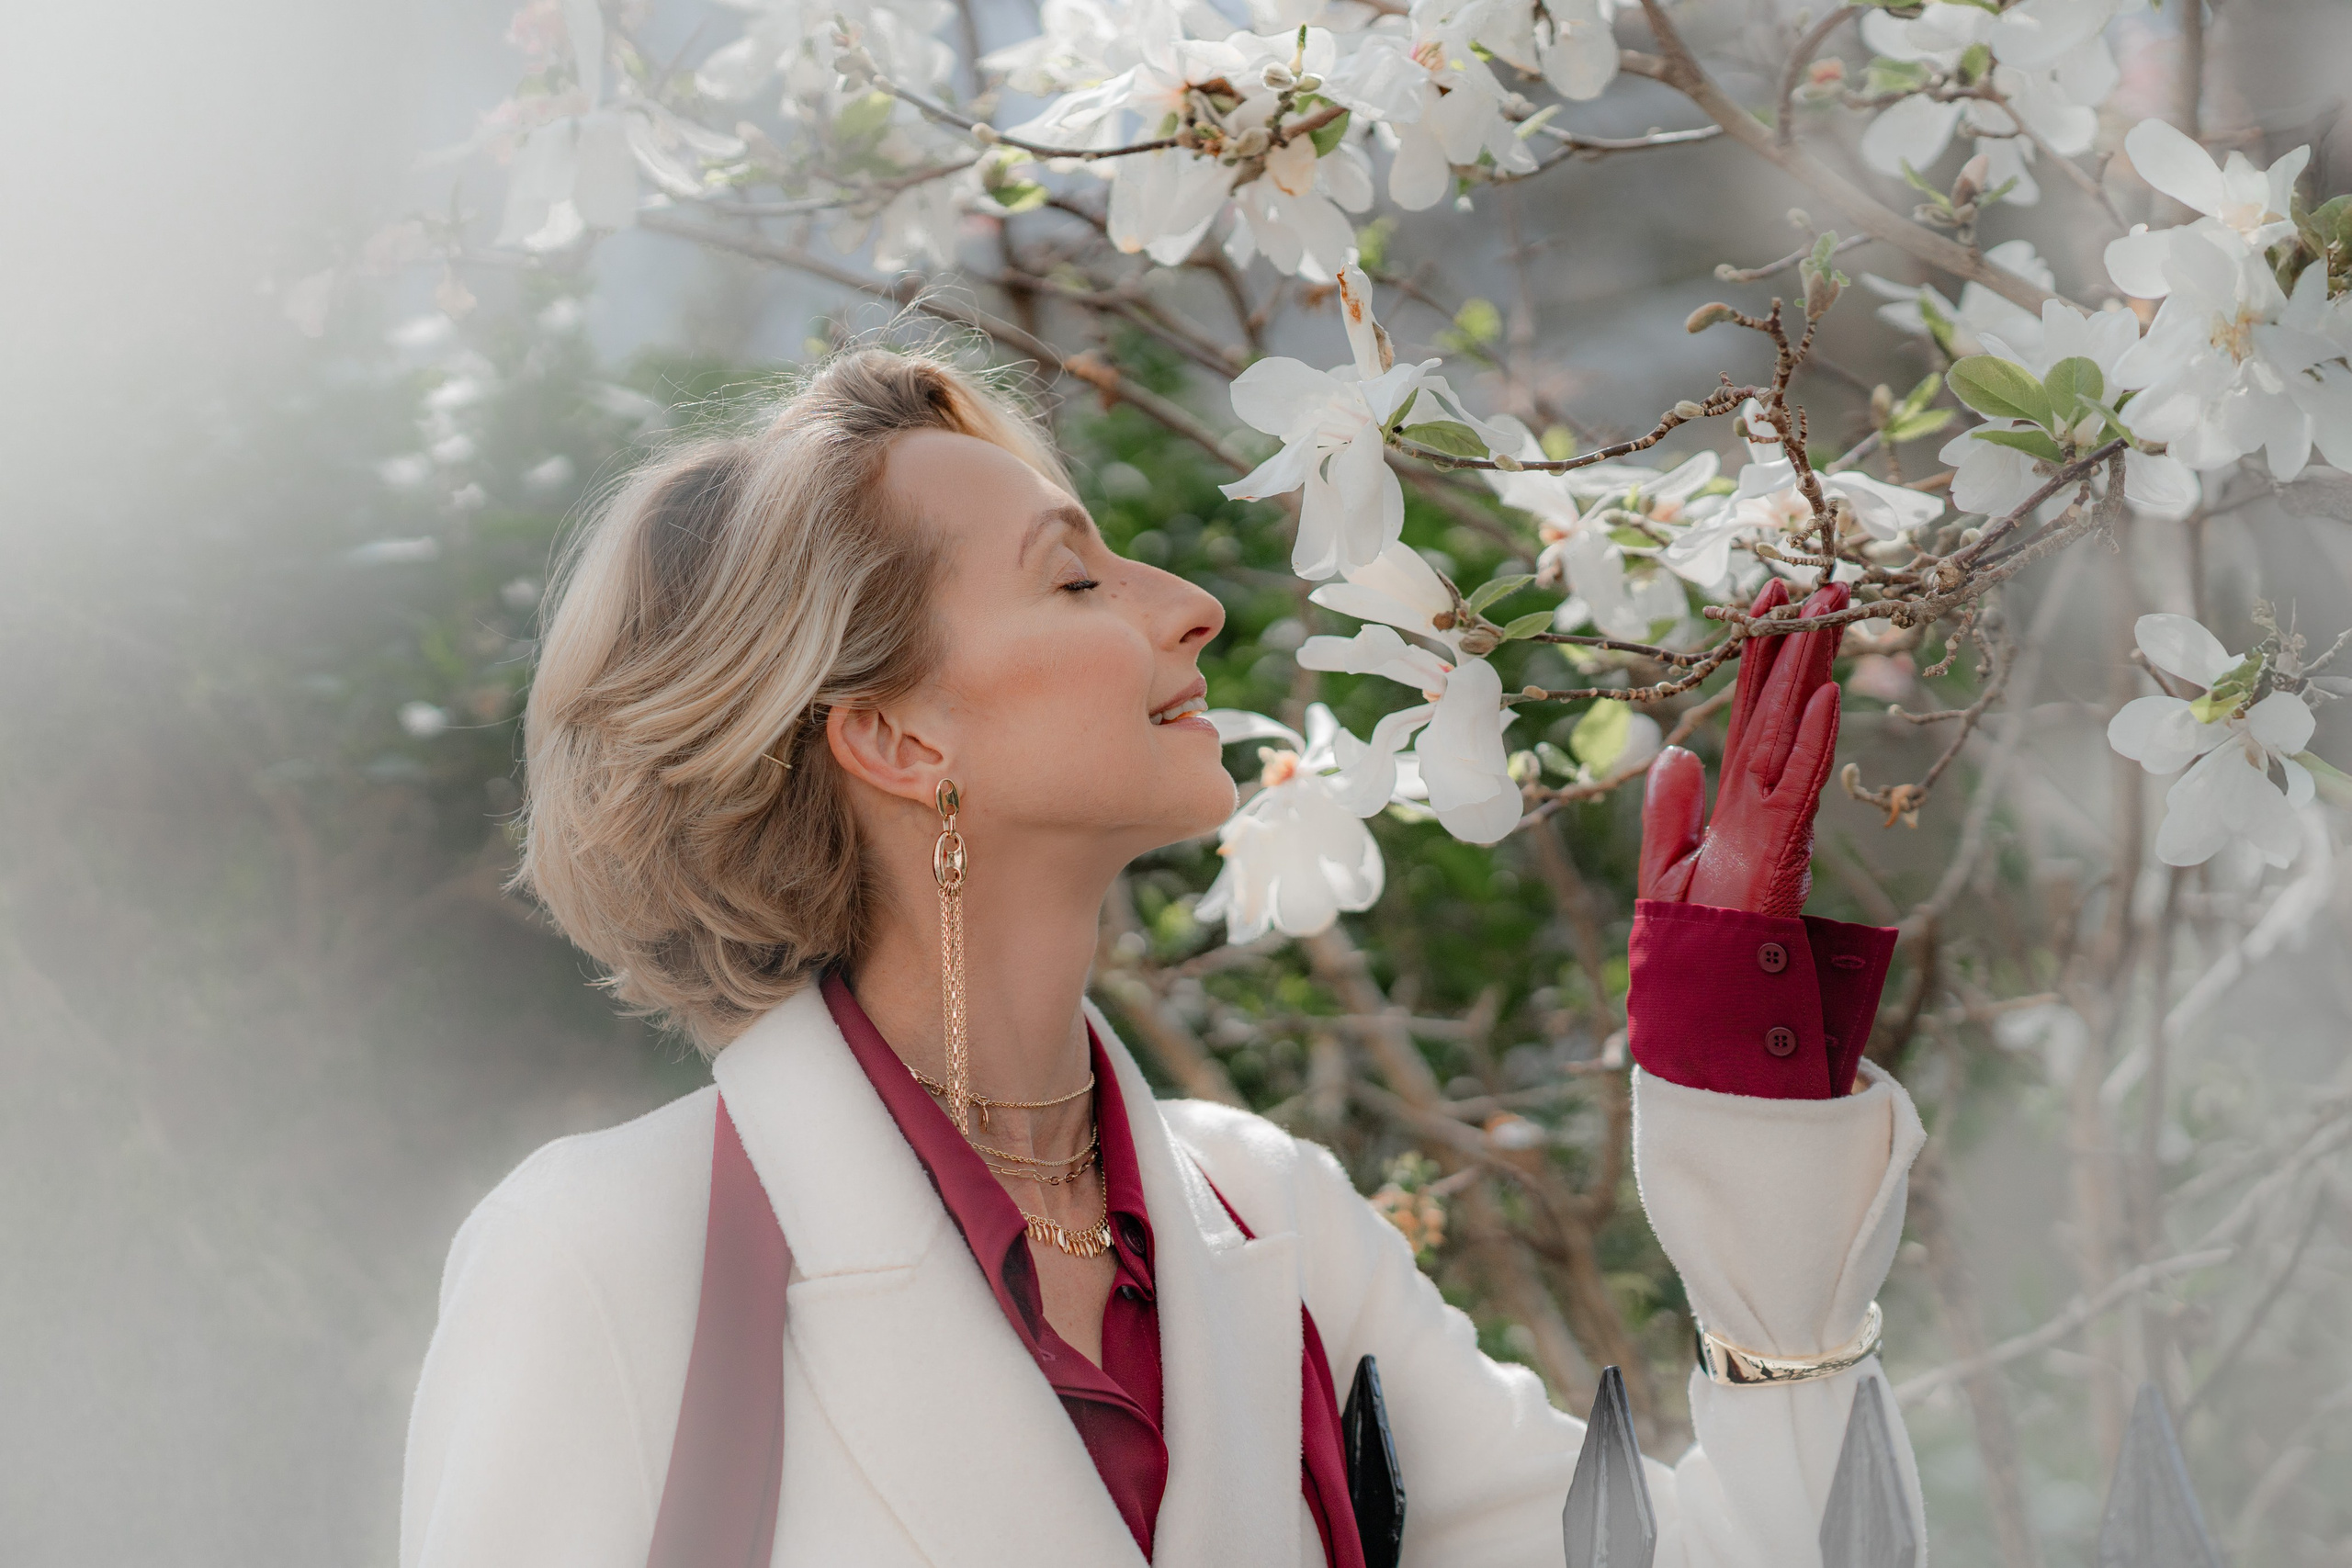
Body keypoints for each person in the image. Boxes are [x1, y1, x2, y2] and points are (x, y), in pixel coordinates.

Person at [398, 349, 1925, 1568]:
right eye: (1075, 581)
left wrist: (1745, 1084)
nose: (1190, 609)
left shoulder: (1271, 1215)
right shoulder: (606, 1258)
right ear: (891, 734)